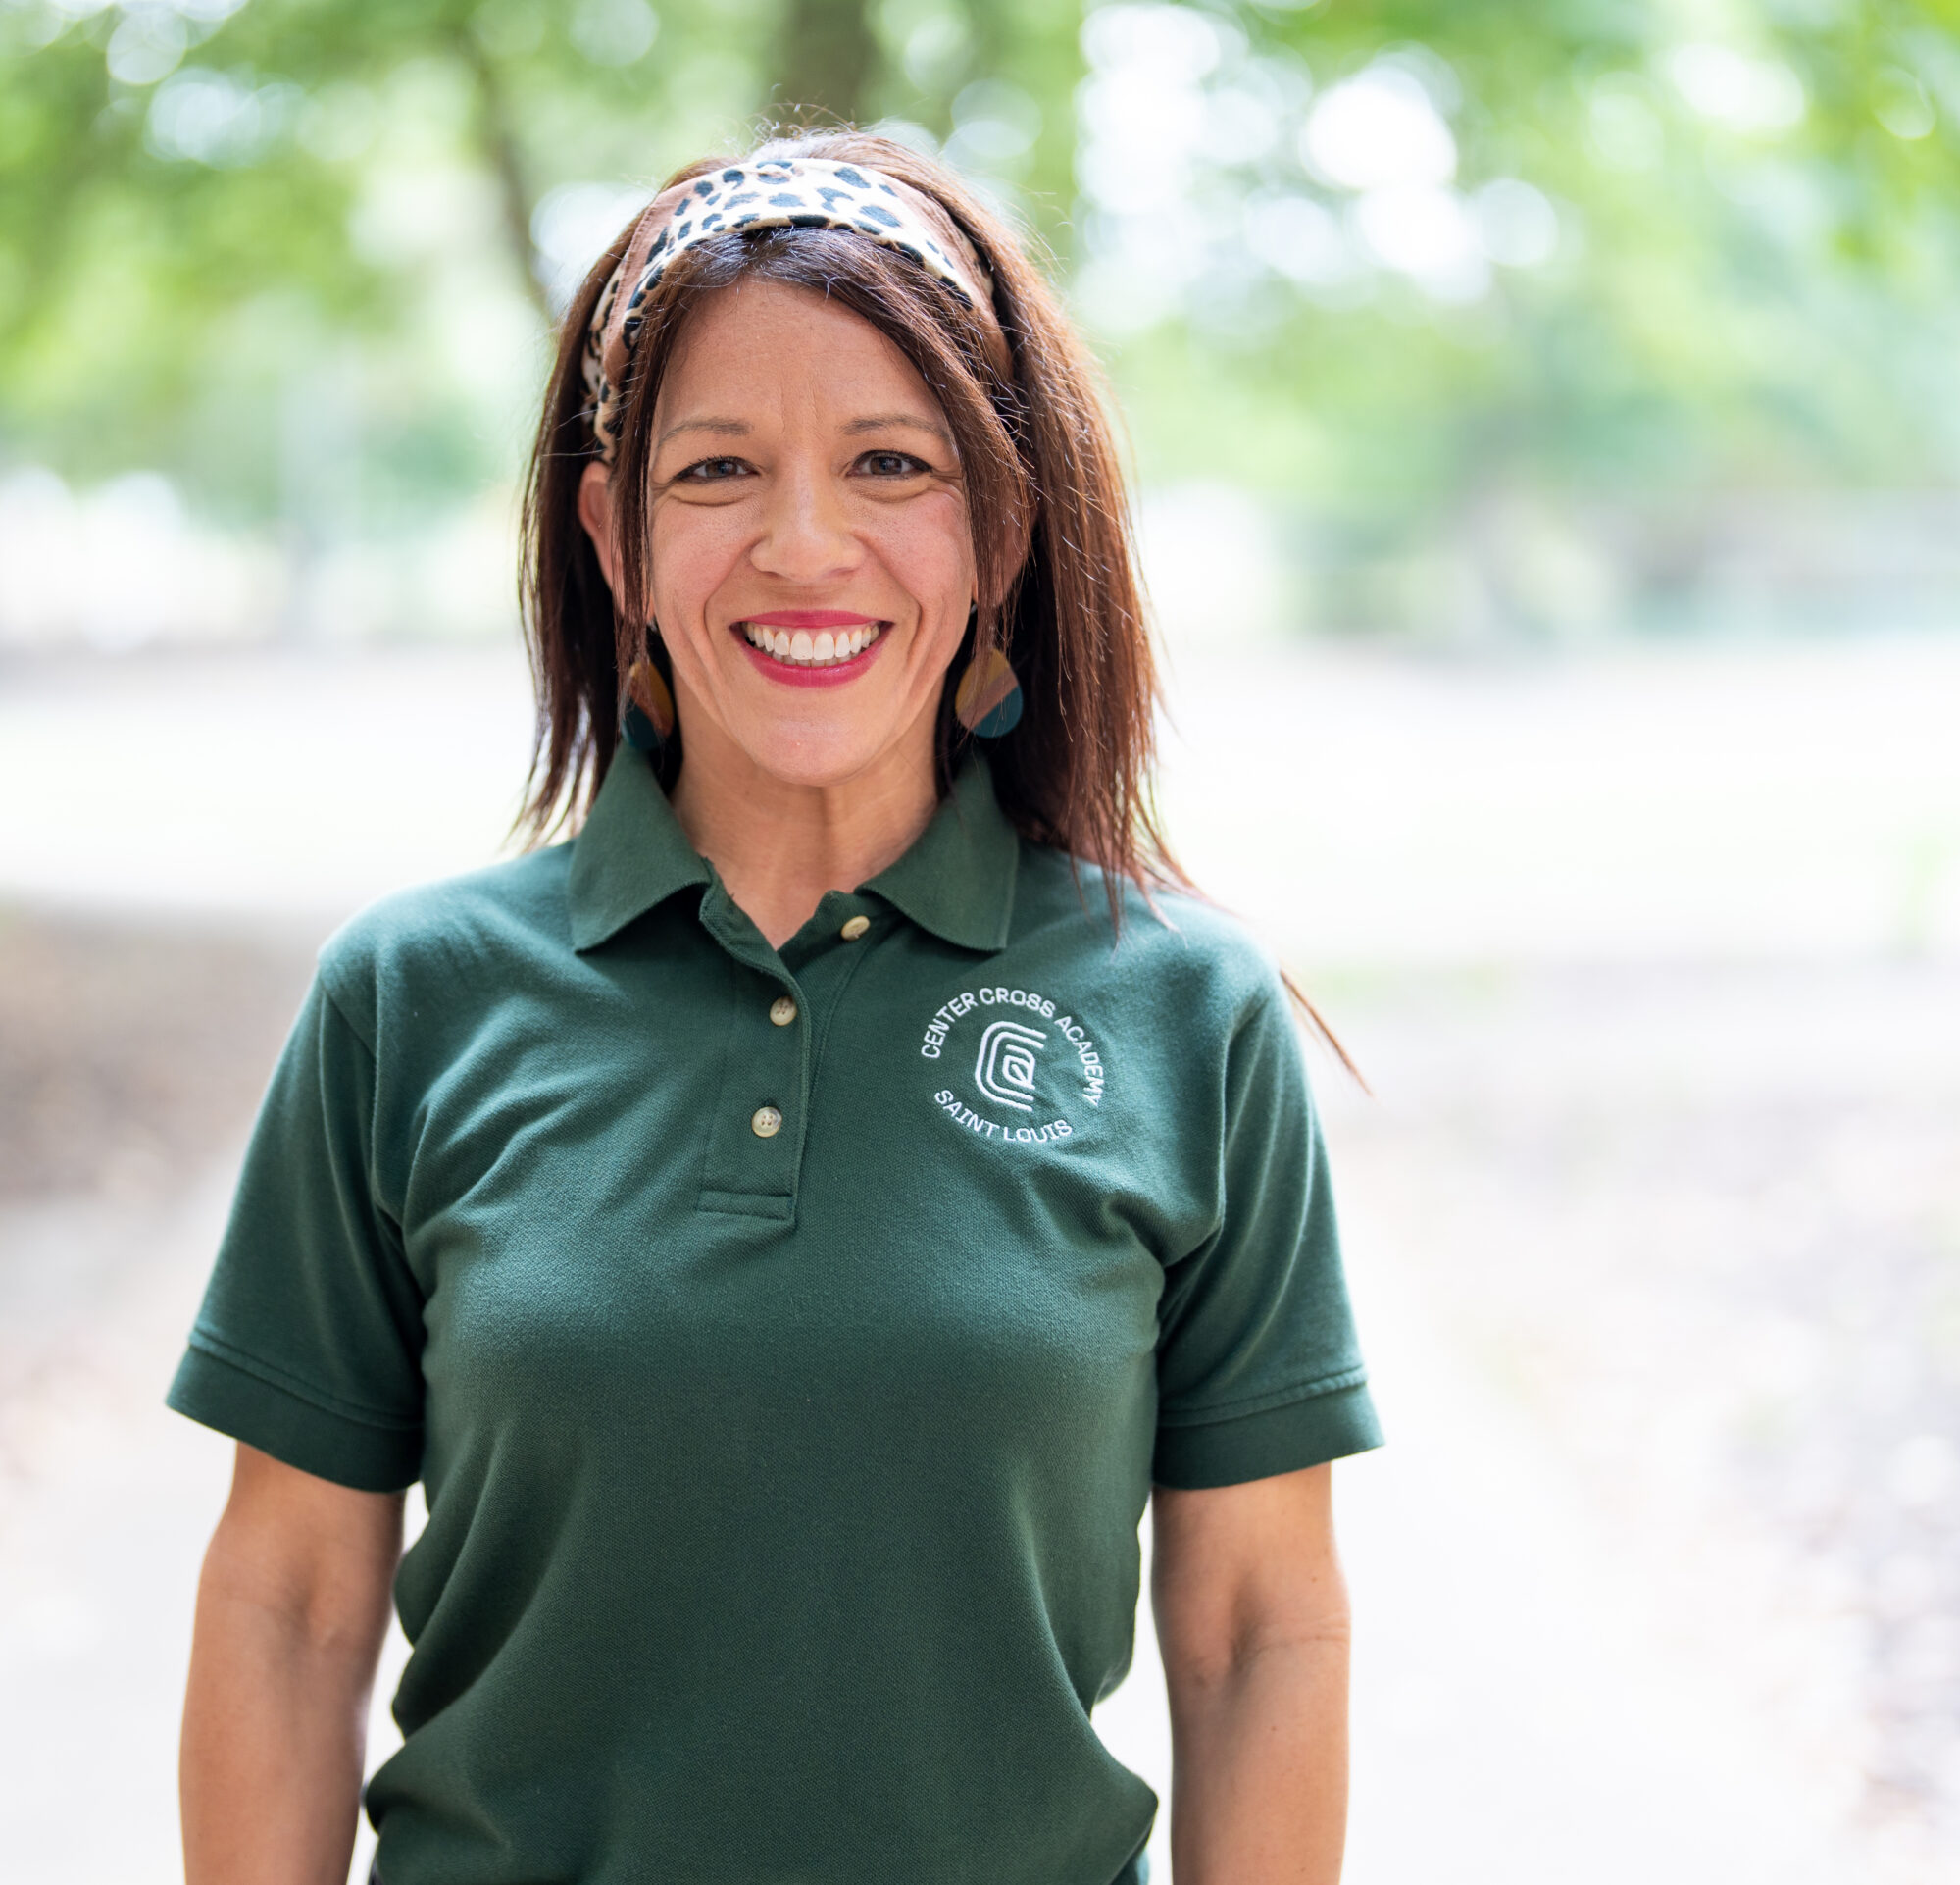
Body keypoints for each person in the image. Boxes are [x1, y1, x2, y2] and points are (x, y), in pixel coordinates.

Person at [170, 128, 1381, 1885]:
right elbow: (286, 1600)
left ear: (1006, 525)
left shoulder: (1187, 1013)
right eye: (719, 469)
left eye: (892, 463)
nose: (804, 546)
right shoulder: (411, 999)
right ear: (615, 531)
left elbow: (1261, 1624)